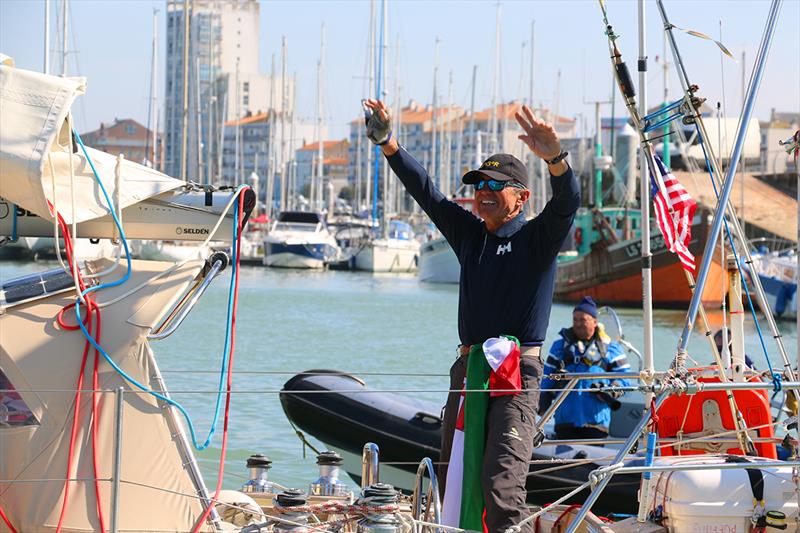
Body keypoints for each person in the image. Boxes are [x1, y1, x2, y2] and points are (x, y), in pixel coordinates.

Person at [363, 98, 579, 533]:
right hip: (468, 373)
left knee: (501, 487)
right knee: (456, 481)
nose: (483, 191)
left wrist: (555, 158)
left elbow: (567, 201)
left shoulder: (538, 237)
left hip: (518, 376)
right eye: (479, 183)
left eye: (495, 184)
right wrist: (387, 142)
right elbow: (425, 191)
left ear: (521, 197)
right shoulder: (468, 235)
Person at [539, 296, 630, 440]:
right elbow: (547, 377)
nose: (578, 324)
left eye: (583, 320)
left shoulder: (611, 348)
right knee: (564, 461)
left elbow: (626, 377)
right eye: (575, 319)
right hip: (565, 421)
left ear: (595, 322)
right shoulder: (559, 347)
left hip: (596, 422)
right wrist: (543, 403)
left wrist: (610, 389)